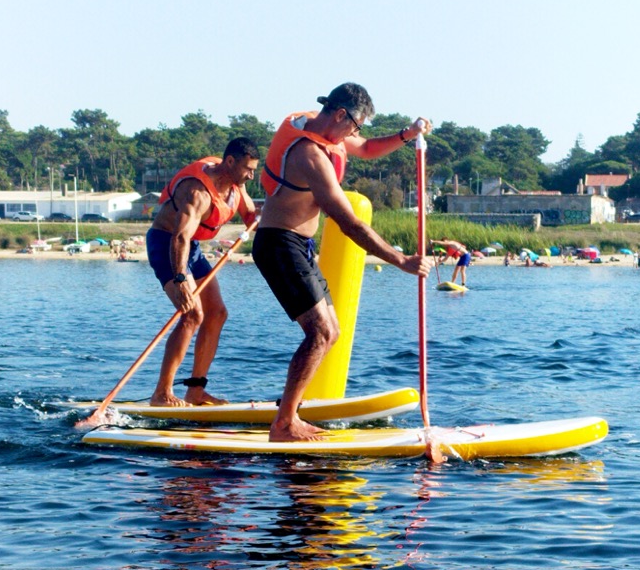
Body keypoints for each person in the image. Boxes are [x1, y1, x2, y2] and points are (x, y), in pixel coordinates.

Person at [253, 83, 432, 441]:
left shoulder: (322, 128)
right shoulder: (310, 156)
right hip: (278, 244)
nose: (355, 133)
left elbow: (366, 148)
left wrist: (406, 135)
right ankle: (284, 423)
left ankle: (289, 412)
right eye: (355, 125)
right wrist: (401, 261)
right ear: (339, 114)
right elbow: (349, 223)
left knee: (330, 332)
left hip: (298, 244)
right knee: (319, 332)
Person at [146, 137, 259, 407]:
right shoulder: (197, 191)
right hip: (167, 243)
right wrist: (180, 278)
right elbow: (179, 238)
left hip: (192, 248)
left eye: (255, 170)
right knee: (192, 313)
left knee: (217, 312)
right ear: (230, 162)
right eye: (248, 169)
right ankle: (162, 393)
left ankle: (195, 390)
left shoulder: (236, 186)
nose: (251, 176)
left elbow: (251, 215)